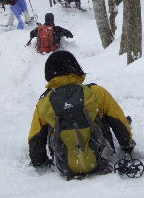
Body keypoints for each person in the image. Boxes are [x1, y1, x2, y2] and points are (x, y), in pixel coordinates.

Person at [28, 50, 134, 179]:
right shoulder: (96, 92)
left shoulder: (44, 103)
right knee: (99, 115)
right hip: (101, 157)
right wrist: (127, 144)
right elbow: (118, 121)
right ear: (76, 68)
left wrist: (39, 161)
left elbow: (35, 138)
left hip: (65, 165)